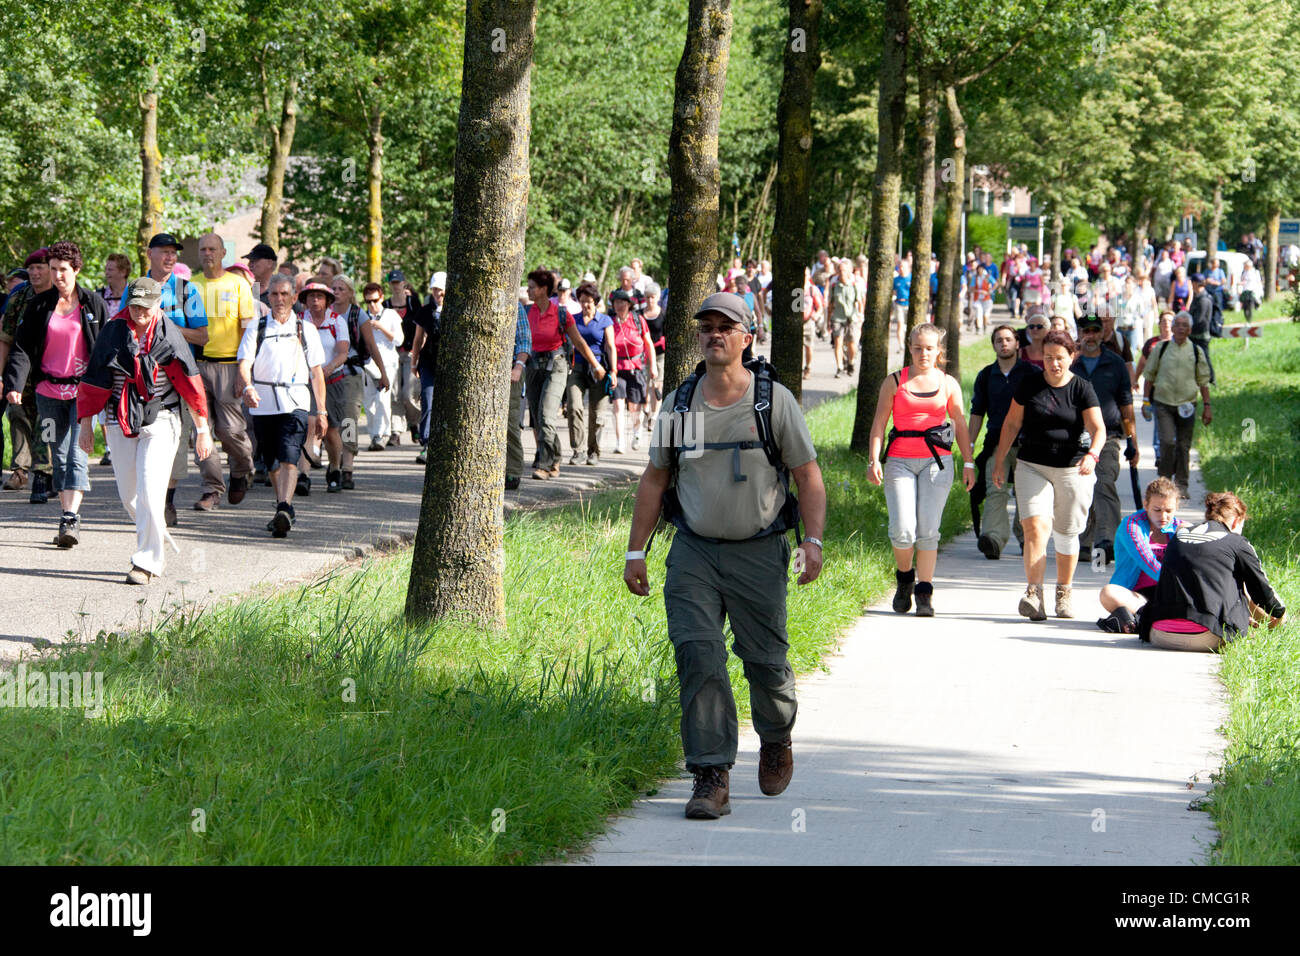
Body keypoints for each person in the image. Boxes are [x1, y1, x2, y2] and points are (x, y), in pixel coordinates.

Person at [625, 290, 826, 819]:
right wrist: (635, 551)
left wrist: (813, 542)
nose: (715, 334)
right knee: (698, 654)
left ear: (746, 336)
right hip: (693, 550)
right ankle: (710, 774)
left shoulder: (770, 402)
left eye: (726, 326)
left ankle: (777, 734)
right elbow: (657, 477)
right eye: (706, 326)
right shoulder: (683, 405)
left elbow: (807, 476)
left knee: (765, 662)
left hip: (759, 552)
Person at [78, 277, 213, 582]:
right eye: (135, 304)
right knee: (130, 496)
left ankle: (147, 561)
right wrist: (86, 423)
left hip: (162, 419)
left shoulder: (169, 335)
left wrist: (202, 429)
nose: (139, 310)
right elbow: (94, 377)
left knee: (152, 494)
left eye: (146, 305)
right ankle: (156, 533)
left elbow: (190, 383)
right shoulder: (113, 331)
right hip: (118, 417)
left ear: (158, 305)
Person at [992, 330, 1105, 620]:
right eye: (1048, 358)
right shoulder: (1029, 384)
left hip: (1073, 466)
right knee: (1035, 528)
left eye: (1060, 358)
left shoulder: (1082, 388)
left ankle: (1064, 592)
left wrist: (1092, 454)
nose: (1054, 364)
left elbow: (1098, 429)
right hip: (1032, 465)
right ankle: (1034, 593)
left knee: (1067, 533)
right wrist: (999, 460)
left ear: (1072, 357)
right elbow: (1011, 424)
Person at [2, 241, 108, 547]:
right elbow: (21, 348)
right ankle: (67, 513)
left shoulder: (93, 304)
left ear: (76, 269)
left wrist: (107, 389)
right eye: (53, 269)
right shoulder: (38, 305)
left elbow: (103, 348)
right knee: (58, 455)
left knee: (76, 455)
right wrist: (13, 384)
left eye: (63, 269)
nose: (57, 275)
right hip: (48, 392)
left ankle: (69, 518)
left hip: (83, 392)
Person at [867, 323, 975, 615]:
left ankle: (924, 592)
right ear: (909, 348)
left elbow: (960, 424)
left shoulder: (948, 383)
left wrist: (968, 461)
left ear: (938, 351)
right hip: (899, 461)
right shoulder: (894, 381)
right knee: (902, 530)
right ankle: (905, 579)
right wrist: (874, 459)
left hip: (937, 463)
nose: (923, 353)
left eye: (929, 348)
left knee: (928, 531)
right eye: (918, 347)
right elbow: (879, 423)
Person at [237, 273, 327, 538]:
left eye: (284, 294)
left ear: (294, 297)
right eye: (274, 294)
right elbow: (244, 362)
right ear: (268, 297)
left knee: (289, 455)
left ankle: (285, 507)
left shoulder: (305, 329)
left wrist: (320, 411)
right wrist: (248, 386)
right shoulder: (257, 327)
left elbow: (317, 373)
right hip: (263, 402)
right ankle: (282, 508)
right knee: (272, 461)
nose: (279, 299)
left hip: (295, 401)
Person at [1137, 491, 1286, 650]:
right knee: (1240, 584)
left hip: (1158, 634)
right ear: (1236, 521)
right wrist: (1281, 616)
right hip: (1206, 636)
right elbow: (1263, 594)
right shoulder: (1237, 542)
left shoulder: (1178, 536)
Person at [143, 233, 209, 528]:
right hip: (142, 377)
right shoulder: (137, 289)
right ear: (150, 254)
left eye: (174, 253)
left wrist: (165, 325)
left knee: (176, 441)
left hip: (178, 376)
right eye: (165, 252)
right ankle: (147, 497)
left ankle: (167, 500)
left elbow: (202, 336)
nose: (170, 257)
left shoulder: (187, 291)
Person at [188, 233, 257, 511]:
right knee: (201, 431)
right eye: (203, 249)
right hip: (197, 366)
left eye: (212, 249)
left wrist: (245, 370)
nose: (207, 253)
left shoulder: (238, 284)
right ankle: (211, 489)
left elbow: (249, 330)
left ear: (223, 252)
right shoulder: (190, 286)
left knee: (230, 430)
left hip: (229, 366)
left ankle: (242, 467)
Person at [1072, 316, 1138, 564]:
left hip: (1108, 436)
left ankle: (1107, 540)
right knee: (1080, 489)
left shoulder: (1116, 363)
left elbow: (1126, 406)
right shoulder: (1070, 363)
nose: (1090, 335)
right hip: (1075, 438)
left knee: (1105, 483)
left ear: (1103, 334)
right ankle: (1083, 542)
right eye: (1086, 331)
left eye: (1095, 331)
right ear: (1080, 334)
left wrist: (1133, 442)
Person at [526, 268, 602, 479]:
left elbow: (578, 341)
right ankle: (553, 459)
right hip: (533, 367)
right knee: (537, 418)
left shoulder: (560, 313)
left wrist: (596, 365)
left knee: (546, 414)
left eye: (532, 287)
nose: (528, 290)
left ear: (542, 289)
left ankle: (547, 462)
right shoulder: (527, 312)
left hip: (556, 366)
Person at [969, 325, 1036, 560]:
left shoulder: (1032, 373)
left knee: (1026, 494)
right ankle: (993, 539)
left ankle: (1027, 538)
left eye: (1008, 339)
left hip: (1028, 443)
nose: (1004, 344)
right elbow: (977, 412)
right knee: (994, 489)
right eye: (999, 340)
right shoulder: (986, 375)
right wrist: (969, 445)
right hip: (996, 443)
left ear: (1017, 344)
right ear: (994, 345)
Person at [323, 274, 389, 490]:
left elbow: (371, 345)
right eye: (334, 288)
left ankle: (348, 467)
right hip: (325, 374)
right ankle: (334, 461)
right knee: (330, 422)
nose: (336, 291)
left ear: (350, 292)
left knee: (349, 418)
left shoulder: (357, 314)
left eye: (341, 288)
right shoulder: (323, 314)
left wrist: (383, 373)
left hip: (350, 372)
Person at [1, 249, 55, 499]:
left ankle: (45, 475)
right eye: (31, 268)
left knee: (47, 422)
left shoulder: (62, 296)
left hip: (53, 372)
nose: (34, 273)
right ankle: (23, 469)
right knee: (18, 414)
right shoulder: (19, 297)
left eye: (39, 267)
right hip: (22, 370)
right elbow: (5, 338)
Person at [1096, 477, 1181, 633]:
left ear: (1176, 508)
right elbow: (1148, 562)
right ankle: (1148, 616)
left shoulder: (1179, 528)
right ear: (1146, 505)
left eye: (1169, 511)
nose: (1163, 517)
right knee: (1108, 593)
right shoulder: (1131, 525)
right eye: (1157, 510)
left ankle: (1137, 620)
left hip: (1169, 592)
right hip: (1138, 595)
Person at [1141, 311, 1211, 500]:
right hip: (1163, 404)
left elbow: (1203, 381)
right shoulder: (1161, 349)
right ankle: (1164, 483)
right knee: (1167, 442)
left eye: (1184, 325)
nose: (1180, 328)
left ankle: (1181, 484)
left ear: (1189, 329)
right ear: (1172, 329)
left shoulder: (1196, 351)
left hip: (1187, 405)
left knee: (1183, 445)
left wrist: (1207, 406)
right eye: (1177, 325)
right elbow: (1149, 376)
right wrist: (1146, 401)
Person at [564, 281, 614, 466]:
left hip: (599, 369)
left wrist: (614, 371)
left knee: (597, 413)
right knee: (574, 407)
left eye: (589, 301)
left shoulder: (605, 321)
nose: (585, 305)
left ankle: (594, 451)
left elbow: (610, 346)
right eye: (582, 301)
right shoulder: (573, 319)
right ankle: (578, 450)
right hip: (577, 367)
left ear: (596, 302)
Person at [609, 287, 657, 453]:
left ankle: (637, 433)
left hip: (636, 368)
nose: (619, 305)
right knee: (618, 405)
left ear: (629, 304)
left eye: (622, 302)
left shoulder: (638, 320)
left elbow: (648, 343)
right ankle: (620, 441)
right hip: (617, 369)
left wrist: (654, 366)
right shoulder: (610, 322)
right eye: (616, 302)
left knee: (634, 407)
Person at [360, 282, 402, 452]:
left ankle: (383, 434)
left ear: (382, 298)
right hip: (368, 364)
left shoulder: (391, 314)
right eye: (368, 302)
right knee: (369, 402)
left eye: (375, 300)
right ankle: (373, 435)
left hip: (388, 362)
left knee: (382, 400)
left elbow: (399, 339)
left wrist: (380, 327)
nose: (372, 305)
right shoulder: (363, 316)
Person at [409, 273, 444, 464]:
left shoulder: (456, 309)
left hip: (448, 363)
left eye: (440, 289)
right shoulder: (425, 311)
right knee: (428, 400)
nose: (437, 293)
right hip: (428, 361)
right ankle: (427, 443)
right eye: (434, 289)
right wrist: (414, 363)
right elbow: (418, 339)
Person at [385, 270, 423, 445]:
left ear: (403, 283)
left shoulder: (412, 302)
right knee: (394, 394)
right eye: (392, 283)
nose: (395, 285)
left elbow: (421, 325)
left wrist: (420, 347)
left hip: (410, 352)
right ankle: (396, 431)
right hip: (391, 352)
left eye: (398, 282)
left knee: (408, 393)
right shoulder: (385, 304)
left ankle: (414, 423)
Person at [505, 301, 531, 491]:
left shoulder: (515, 305)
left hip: (511, 370)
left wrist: (518, 367)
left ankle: (513, 469)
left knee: (510, 421)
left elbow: (524, 340)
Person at [827, 258, 861, 378]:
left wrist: (860, 316)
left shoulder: (854, 285)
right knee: (838, 343)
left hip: (851, 318)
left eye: (844, 270)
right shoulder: (834, 285)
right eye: (840, 270)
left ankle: (851, 362)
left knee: (852, 344)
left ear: (849, 271)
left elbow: (860, 302)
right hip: (837, 317)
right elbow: (830, 304)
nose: (842, 272)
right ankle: (840, 367)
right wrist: (828, 320)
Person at [98, 253, 131, 318]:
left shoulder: (134, 295)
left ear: (123, 272)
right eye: (106, 269)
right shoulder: (100, 295)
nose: (106, 273)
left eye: (110, 270)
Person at [892, 260, 911, 353]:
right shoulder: (896, 280)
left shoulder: (911, 278)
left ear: (908, 267)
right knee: (900, 324)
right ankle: (901, 345)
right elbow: (894, 291)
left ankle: (910, 344)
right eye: (899, 267)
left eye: (903, 267)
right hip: (899, 304)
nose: (901, 269)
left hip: (909, 304)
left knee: (909, 325)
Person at [1239, 258, 1263, 323]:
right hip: (1245, 291)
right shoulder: (1244, 272)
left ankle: (1250, 319)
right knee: (1245, 307)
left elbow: (1259, 282)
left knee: (1250, 306)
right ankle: (1247, 319)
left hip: (1252, 291)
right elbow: (1242, 281)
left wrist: (1259, 291)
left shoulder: (1255, 272)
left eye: (1245, 266)